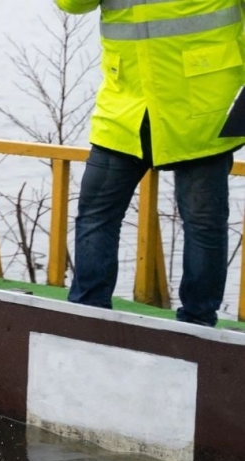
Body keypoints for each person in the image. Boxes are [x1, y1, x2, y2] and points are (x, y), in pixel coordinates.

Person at [59, 0, 245, 327]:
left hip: (201, 109)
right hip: (127, 108)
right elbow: (71, 4)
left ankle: (197, 327)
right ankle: (87, 319)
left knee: (203, 224)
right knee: (95, 215)